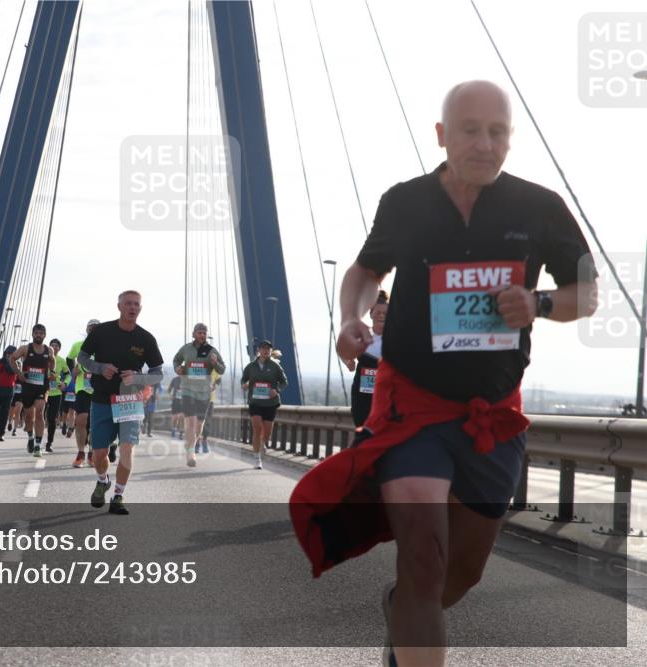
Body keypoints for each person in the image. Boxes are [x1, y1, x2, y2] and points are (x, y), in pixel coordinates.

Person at [291, 80, 598, 667]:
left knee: (459, 575)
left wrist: (540, 305)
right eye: (470, 130)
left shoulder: (540, 208)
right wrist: (351, 318)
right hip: (414, 409)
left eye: (498, 132)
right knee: (424, 562)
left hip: (491, 418)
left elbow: (587, 294)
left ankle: (401, 609)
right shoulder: (405, 202)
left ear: (511, 139)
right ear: (441, 136)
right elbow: (363, 270)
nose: (485, 144)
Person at [77, 290, 163, 516]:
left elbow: (157, 374)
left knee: (126, 449)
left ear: (140, 309)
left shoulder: (146, 338)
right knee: (98, 453)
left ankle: (118, 495)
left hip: (130, 400)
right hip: (102, 399)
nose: (132, 308)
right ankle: (102, 480)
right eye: (128, 304)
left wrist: (138, 378)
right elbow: (83, 358)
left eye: (136, 304)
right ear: (119, 307)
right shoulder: (102, 331)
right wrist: (99, 368)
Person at [172, 323, 226, 466]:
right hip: (188, 390)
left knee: (199, 425)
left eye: (204, 332)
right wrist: (177, 368)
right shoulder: (186, 349)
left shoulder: (211, 350)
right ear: (194, 334)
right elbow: (176, 359)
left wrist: (215, 363)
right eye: (200, 332)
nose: (202, 335)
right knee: (190, 422)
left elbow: (222, 370)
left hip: (204, 393)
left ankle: (191, 444)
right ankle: (191, 453)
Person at [241, 340, 288, 469]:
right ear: (259, 350)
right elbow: (244, 379)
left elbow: (284, 382)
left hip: (270, 403)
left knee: (266, 433)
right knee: (257, 429)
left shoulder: (275, 366)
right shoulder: (251, 366)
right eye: (263, 348)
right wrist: (244, 385)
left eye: (268, 349)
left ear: (271, 351)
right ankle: (257, 459)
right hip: (255, 402)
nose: (266, 350)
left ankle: (262, 443)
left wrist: (276, 390)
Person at [10, 324, 55, 457]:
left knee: (40, 412)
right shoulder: (25, 348)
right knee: (29, 416)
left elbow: (52, 361)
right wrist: (19, 373)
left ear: (44, 335)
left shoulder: (49, 350)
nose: (38, 335)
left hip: (42, 386)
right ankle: (30, 437)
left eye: (41, 333)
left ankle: (37, 445)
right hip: (28, 386)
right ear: (32, 334)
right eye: (36, 333)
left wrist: (52, 372)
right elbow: (12, 358)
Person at [349, 291, 388, 429]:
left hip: (385, 393)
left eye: (385, 313)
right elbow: (344, 350)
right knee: (363, 428)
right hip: (362, 394)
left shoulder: (395, 339)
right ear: (371, 314)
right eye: (378, 313)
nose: (381, 316)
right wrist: (349, 361)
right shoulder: (362, 336)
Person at [67, 319, 99, 468]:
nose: (92, 330)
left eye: (96, 328)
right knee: (81, 420)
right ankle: (81, 453)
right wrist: (73, 369)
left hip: (99, 389)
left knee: (95, 423)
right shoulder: (78, 345)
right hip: (82, 387)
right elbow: (69, 358)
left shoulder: (104, 347)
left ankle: (92, 453)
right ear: (86, 329)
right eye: (90, 327)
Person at [44, 338, 69, 454]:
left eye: (56, 346)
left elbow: (68, 375)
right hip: (43, 390)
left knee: (52, 418)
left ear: (59, 348)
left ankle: (49, 442)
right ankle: (36, 439)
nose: (54, 347)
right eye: (52, 345)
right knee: (40, 415)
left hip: (56, 392)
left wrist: (65, 383)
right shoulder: (44, 358)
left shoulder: (62, 360)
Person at [0, 346, 17, 441]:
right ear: (6, 353)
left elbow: (11, 370)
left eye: (12, 354)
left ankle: (1, 434)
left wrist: (10, 361)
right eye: (8, 353)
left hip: (8, 392)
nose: (10, 355)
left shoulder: (17, 364)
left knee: (4, 414)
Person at [167, 374, 184, 439]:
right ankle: (173, 429)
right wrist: (170, 395)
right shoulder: (175, 379)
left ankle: (181, 433)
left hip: (184, 401)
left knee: (182, 417)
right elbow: (169, 390)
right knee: (175, 417)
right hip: (175, 400)